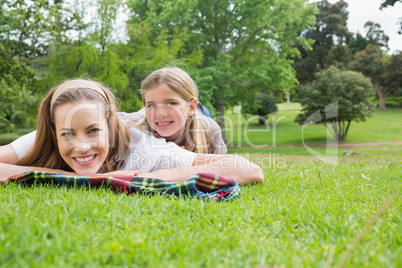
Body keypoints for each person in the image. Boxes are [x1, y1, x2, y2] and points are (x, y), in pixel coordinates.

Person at [0, 79, 263, 185]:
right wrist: (73, 178)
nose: (81, 146)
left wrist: (141, 178)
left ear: (112, 128)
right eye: (68, 134)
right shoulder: (44, 139)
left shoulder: (144, 148)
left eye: (93, 131)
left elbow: (248, 169)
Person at [0, 68, 226, 165]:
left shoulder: (208, 128)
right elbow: (97, 120)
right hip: (140, 118)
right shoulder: (137, 126)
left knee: (193, 116)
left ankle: (185, 107)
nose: (160, 112)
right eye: (151, 104)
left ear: (189, 105)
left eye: (170, 103)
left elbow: (223, 166)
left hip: (195, 116)